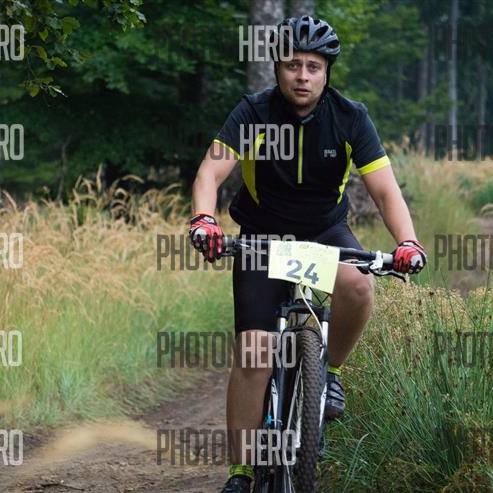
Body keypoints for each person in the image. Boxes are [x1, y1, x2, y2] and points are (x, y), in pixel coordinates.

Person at [188, 16, 427, 493]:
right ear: (278, 69)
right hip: (263, 238)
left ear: (326, 72)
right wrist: (204, 220)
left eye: (313, 67)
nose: (302, 76)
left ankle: (329, 373)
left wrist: (407, 242)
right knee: (256, 353)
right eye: (293, 65)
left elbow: (385, 191)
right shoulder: (253, 112)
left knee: (359, 286)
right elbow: (210, 174)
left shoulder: (350, 117)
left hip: (324, 233)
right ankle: (241, 473)